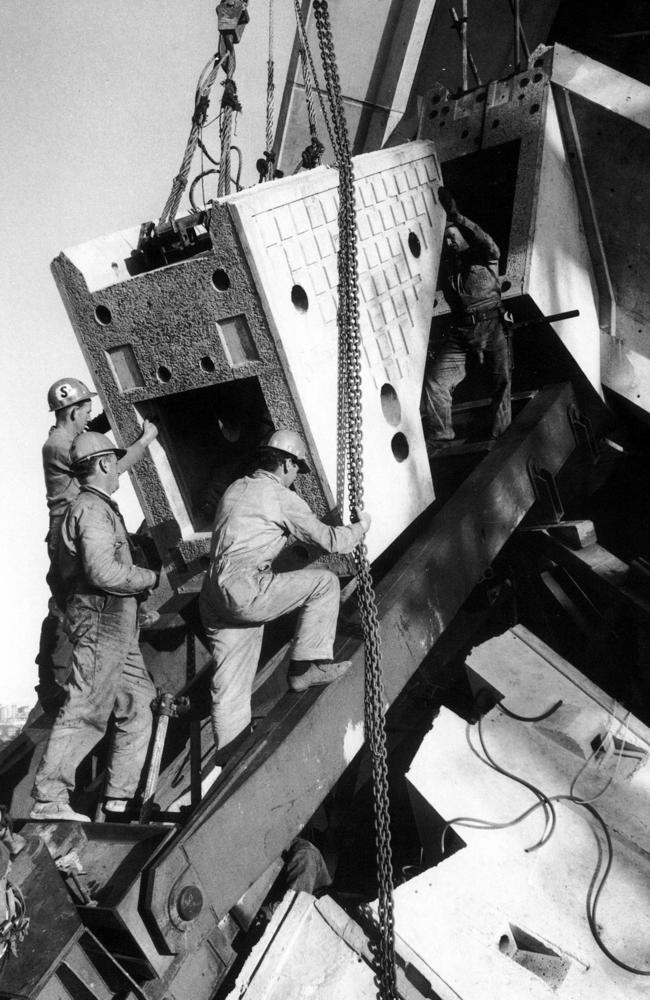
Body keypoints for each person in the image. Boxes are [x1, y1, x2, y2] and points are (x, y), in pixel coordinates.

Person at [199, 429, 371, 759]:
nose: (295, 477)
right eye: (296, 469)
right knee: (325, 583)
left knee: (231, 682)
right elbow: (334, 542)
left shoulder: (237, 487)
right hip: (245, 589)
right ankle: (305, 668)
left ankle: (228, 756)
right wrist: (361, 527)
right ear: (286, 464)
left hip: (213, 593)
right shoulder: (281, 496)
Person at [30, 432, 159, 822]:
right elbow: (103, 571)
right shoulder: (92, 510)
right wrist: (147, 579)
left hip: (116, 620)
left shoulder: (94, 505)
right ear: (104, 464)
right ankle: (49, 798)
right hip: (102, 616)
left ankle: (117, 801)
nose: (117, 470)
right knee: (87, 707)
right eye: (113, 463)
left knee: (138, 705)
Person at [36, 378, 158, 713]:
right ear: (74, 411)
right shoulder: (61, 447)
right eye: (86, 409)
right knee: (68, 604)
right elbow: (110, 467)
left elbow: (87, 433)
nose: (90, 414)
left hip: (73, 528)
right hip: (73, 532)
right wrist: (144, 441)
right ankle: (53, 688)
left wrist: (110, 414)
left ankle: (135, 619)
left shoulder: (61, 437)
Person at [421, 188, 511, 451]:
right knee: (436, 381)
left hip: (492, 326)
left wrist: (458, 218)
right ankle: (440, 435)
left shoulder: (484, 257)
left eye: (453, 237)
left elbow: (489, 244)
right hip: (462, 333)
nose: (449, 242)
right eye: (445, 239)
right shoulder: (448, 267)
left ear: (463, 236)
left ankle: (499, 438)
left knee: (501, 383)